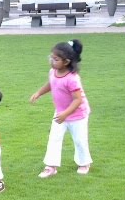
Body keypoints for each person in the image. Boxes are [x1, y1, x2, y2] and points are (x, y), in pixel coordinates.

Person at [30, 39, 92, 178]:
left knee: (80, 140)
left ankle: (84, 163)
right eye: (51, 57)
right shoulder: (53, 72)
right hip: (60, 113)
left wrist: (66, 114)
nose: (52, 61)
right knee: (54, 138)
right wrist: (39, 93)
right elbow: (51, 84)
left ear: (66, 62)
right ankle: (51, 166)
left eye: (56, 59)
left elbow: (78, 99)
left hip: (77, 115)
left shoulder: (72, 79)